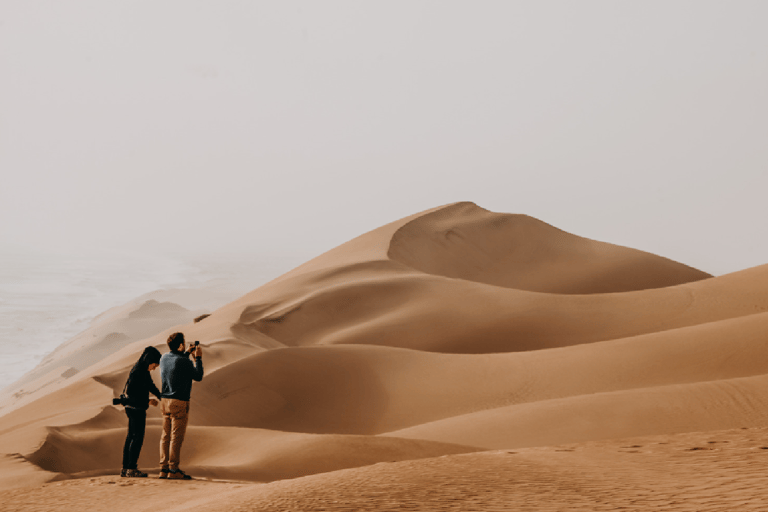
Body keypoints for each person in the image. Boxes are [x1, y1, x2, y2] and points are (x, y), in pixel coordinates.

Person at [158, 332, 203, 480]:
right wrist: (198, 358)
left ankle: (163, 469)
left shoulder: (164, 358)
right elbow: (198, 376)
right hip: (179, 402)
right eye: (183, 342)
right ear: (180, 345)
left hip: (164, 402)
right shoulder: (185, 362)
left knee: (165, 436)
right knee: (176, 438)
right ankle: (173, 469)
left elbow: (175, 364)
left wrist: (186, 354)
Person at [121, 346, 162, 478]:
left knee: (131, 438)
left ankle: (126, 468)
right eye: (154, 365)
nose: (154, 368)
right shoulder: (139, 372)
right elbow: (133, 395)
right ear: (148, 360)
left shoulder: (140, 370)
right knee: (136, 438)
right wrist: (148, 401)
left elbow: (150, 386)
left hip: (133, 408)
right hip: (136, 409)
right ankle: (131, 469)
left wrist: (161, 397)